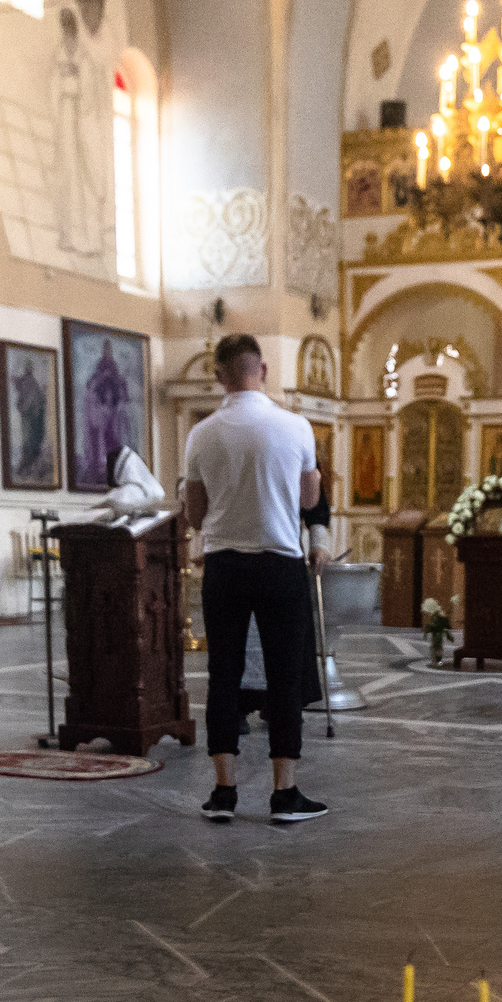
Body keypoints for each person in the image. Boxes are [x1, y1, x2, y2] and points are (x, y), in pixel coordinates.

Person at [183, 333, 328, 824]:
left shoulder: (201, 434)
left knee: (222, 674)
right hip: (280, 564)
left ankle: (223, 793)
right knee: (285, 678)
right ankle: (285, 795)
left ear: (219, 375)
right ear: (262, 370)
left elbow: (195, 515)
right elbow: (310, 501)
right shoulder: (297, 427)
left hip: (223, 564)